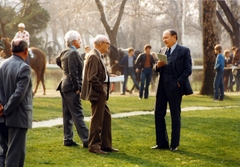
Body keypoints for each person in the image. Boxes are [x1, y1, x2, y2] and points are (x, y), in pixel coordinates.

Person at [151, 29, 192, 151]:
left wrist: (179, 82)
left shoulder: (184, 51)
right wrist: (157, 66)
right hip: (161, 88)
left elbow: (188, 69)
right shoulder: (162, 51)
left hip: (175, 87)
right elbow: (155, 69)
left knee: (175, 115)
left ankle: (174, 144)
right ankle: (161, 143)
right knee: (158, 114)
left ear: (174, 37)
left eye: (166, 37)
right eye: (163, 38)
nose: (164, 40)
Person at [81, 35, 119, 154]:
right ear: (101, 43)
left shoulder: (97, 55)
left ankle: (106, 144)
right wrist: (101, 90)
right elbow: (92, 77)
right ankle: (94, 146)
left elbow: (99, 74)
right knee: (97, 120)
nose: (109, 46)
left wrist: (109, 77)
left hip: (100, 92)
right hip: (97, 93)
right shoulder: (93, 56)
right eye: (107, 43)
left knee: (106, 117)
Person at [0, 39, 33, 167]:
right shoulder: (24, 68)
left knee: (3, 153)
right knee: (15, 155)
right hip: (17, 117)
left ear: (10, 50)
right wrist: (6, 109)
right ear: (26, 51)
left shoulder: (1, 65)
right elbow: (19, 94)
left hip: (1, 117)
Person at [56, 30, 88, 147]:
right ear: (74, 41)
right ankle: (87, 140)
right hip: (71, 86)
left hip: (64, 85)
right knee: (78, 114)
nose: (81, 41)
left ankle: (67, 138)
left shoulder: (65, 52)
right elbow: (74, 72)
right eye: (79, 39)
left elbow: (57, 60)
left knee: (67, 114)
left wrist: (65, 72)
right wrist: (77, 87)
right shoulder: (73, 53)